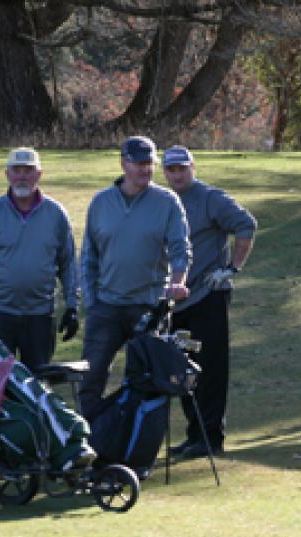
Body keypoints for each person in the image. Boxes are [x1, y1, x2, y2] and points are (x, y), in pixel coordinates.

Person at [78, 136, 192, 419]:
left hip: (149, 306)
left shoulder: (166, 202)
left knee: (146, 381)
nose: (145, 170)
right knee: (90, 378)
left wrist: (178, 282)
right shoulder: (101, 202)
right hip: (106, 307)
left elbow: (181, 249)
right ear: (123, 164)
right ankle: (91, 445)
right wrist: (92, 302)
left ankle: (135, 450)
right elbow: (89, 257)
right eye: (139, 164)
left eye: (149, 164)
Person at [162, 145, 257, 458]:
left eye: (182, 168)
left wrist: (231, 269)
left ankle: (210, 439)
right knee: (181, 369)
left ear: (193, 167)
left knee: (210, 369)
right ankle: (195, 435)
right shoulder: (163, 201)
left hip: (208, 295)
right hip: (176, 299)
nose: (177, 175)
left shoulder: (209, 198)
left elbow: (246, 224)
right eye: (171, 170)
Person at [0, 147, 78, 372]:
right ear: (7, 174)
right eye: (17, 170)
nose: (22, 176)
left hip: (40, 316)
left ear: (39, 175)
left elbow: (68, 263)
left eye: (28, 170)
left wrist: (72, 306)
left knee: (36, 385)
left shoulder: (56, 214)